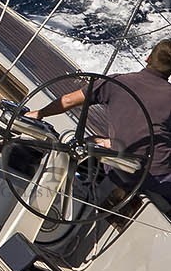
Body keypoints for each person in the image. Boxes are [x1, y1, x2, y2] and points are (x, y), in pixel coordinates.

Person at [25, 40, 171, 206]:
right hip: (162, 178)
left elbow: (68, 101)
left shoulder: (118, 82)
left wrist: (40, 113)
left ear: (148, 58)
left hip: (122, 169)